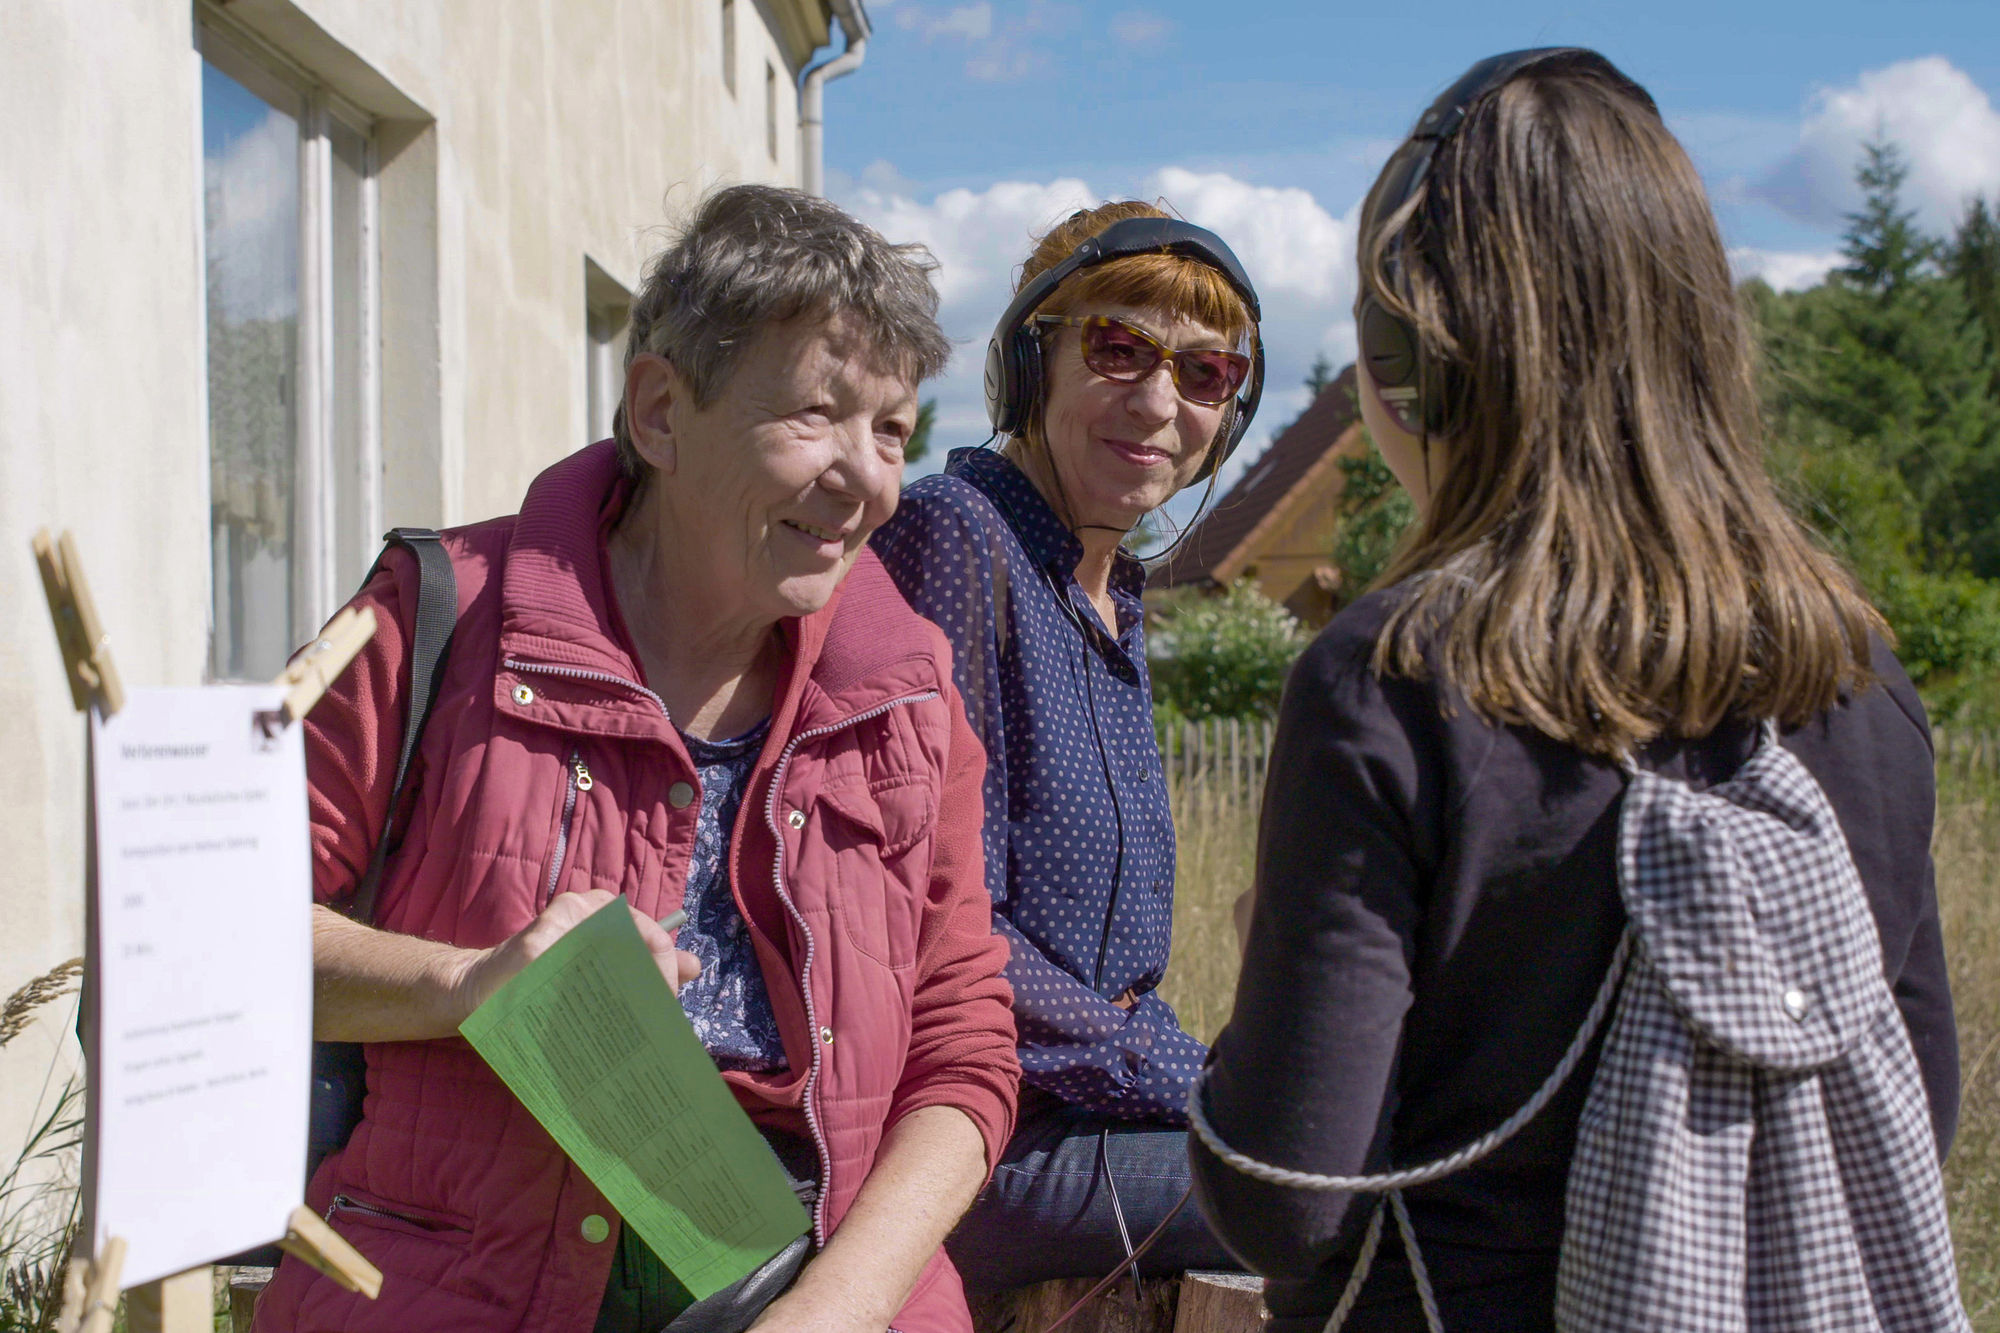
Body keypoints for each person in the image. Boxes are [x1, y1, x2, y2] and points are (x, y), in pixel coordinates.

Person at [1188, 49, 1963, 1332]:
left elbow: (1285, 1199)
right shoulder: (1860, 677)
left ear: (1412, 354)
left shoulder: (1391, 679)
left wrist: (1259, 983)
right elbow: (1905, 1118)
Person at [253, 184, 1020, 1333]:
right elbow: (211, 940)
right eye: (817, 413)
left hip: (823, 1279)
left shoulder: (909, 693)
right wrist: (466, 985)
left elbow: (964, 1047)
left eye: (891, 430)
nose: (867, 477)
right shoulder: (432, 622)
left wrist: (840, 1305)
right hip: (462, 1286)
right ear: (660, 410)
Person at [870, 202, 1262, 1289]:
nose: (1159, 402)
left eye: (1206, 373)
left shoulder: (1111, 601)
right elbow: (948, 922)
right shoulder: (956, 534)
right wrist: (1192, 1080)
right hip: (969, 1142)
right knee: (1334, 1204)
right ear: (1028, 362)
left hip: (1082, 1123)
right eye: (1118, 348)